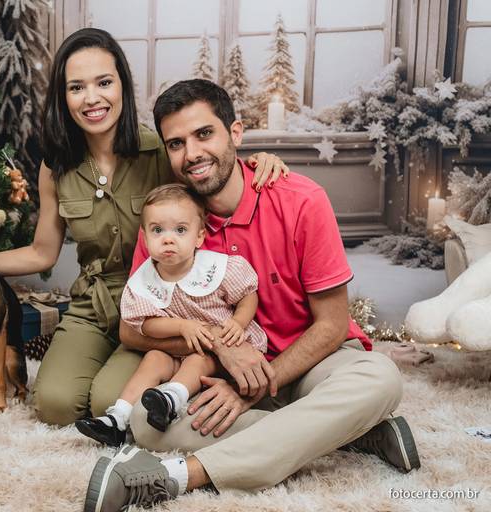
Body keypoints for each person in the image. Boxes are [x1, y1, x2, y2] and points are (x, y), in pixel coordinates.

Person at [83, 79, 419, 512]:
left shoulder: (301, 200)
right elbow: (133, 332)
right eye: (176, 143)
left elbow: (333, 325)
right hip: (226, 372)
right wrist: (225, 350)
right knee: (148, 422)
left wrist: (256, 390)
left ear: (235, 134)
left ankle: (176, 476)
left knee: (379, 378)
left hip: (313, 361)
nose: (192, 154)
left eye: (205, 134)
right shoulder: (172, 222)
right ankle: (348, 432)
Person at [0, 29, 288, 426]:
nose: (92, 98)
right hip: (92, 307)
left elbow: (207, 172)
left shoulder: (159, 152)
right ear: (63, 98)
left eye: (104, 82)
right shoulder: (57, 166)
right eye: (76, 87)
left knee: (108, 404)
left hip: (156, 306)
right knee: (54, 405)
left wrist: (256, 160)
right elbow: (42, 253)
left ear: (123, 86)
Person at [75, 183, 267, 447]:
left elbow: (247, 294)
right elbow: (147, 325)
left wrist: (238, 322)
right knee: (153, 357)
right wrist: (182, 326)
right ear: (144, 237)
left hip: (218, 351)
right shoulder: (144, 280)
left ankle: (171, 400)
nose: (168, 238)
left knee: (197, 360)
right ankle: (117, 418)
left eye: (180, 230)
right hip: (177, 348)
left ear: (199, 237)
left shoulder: (213, 267)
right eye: (157, 230)